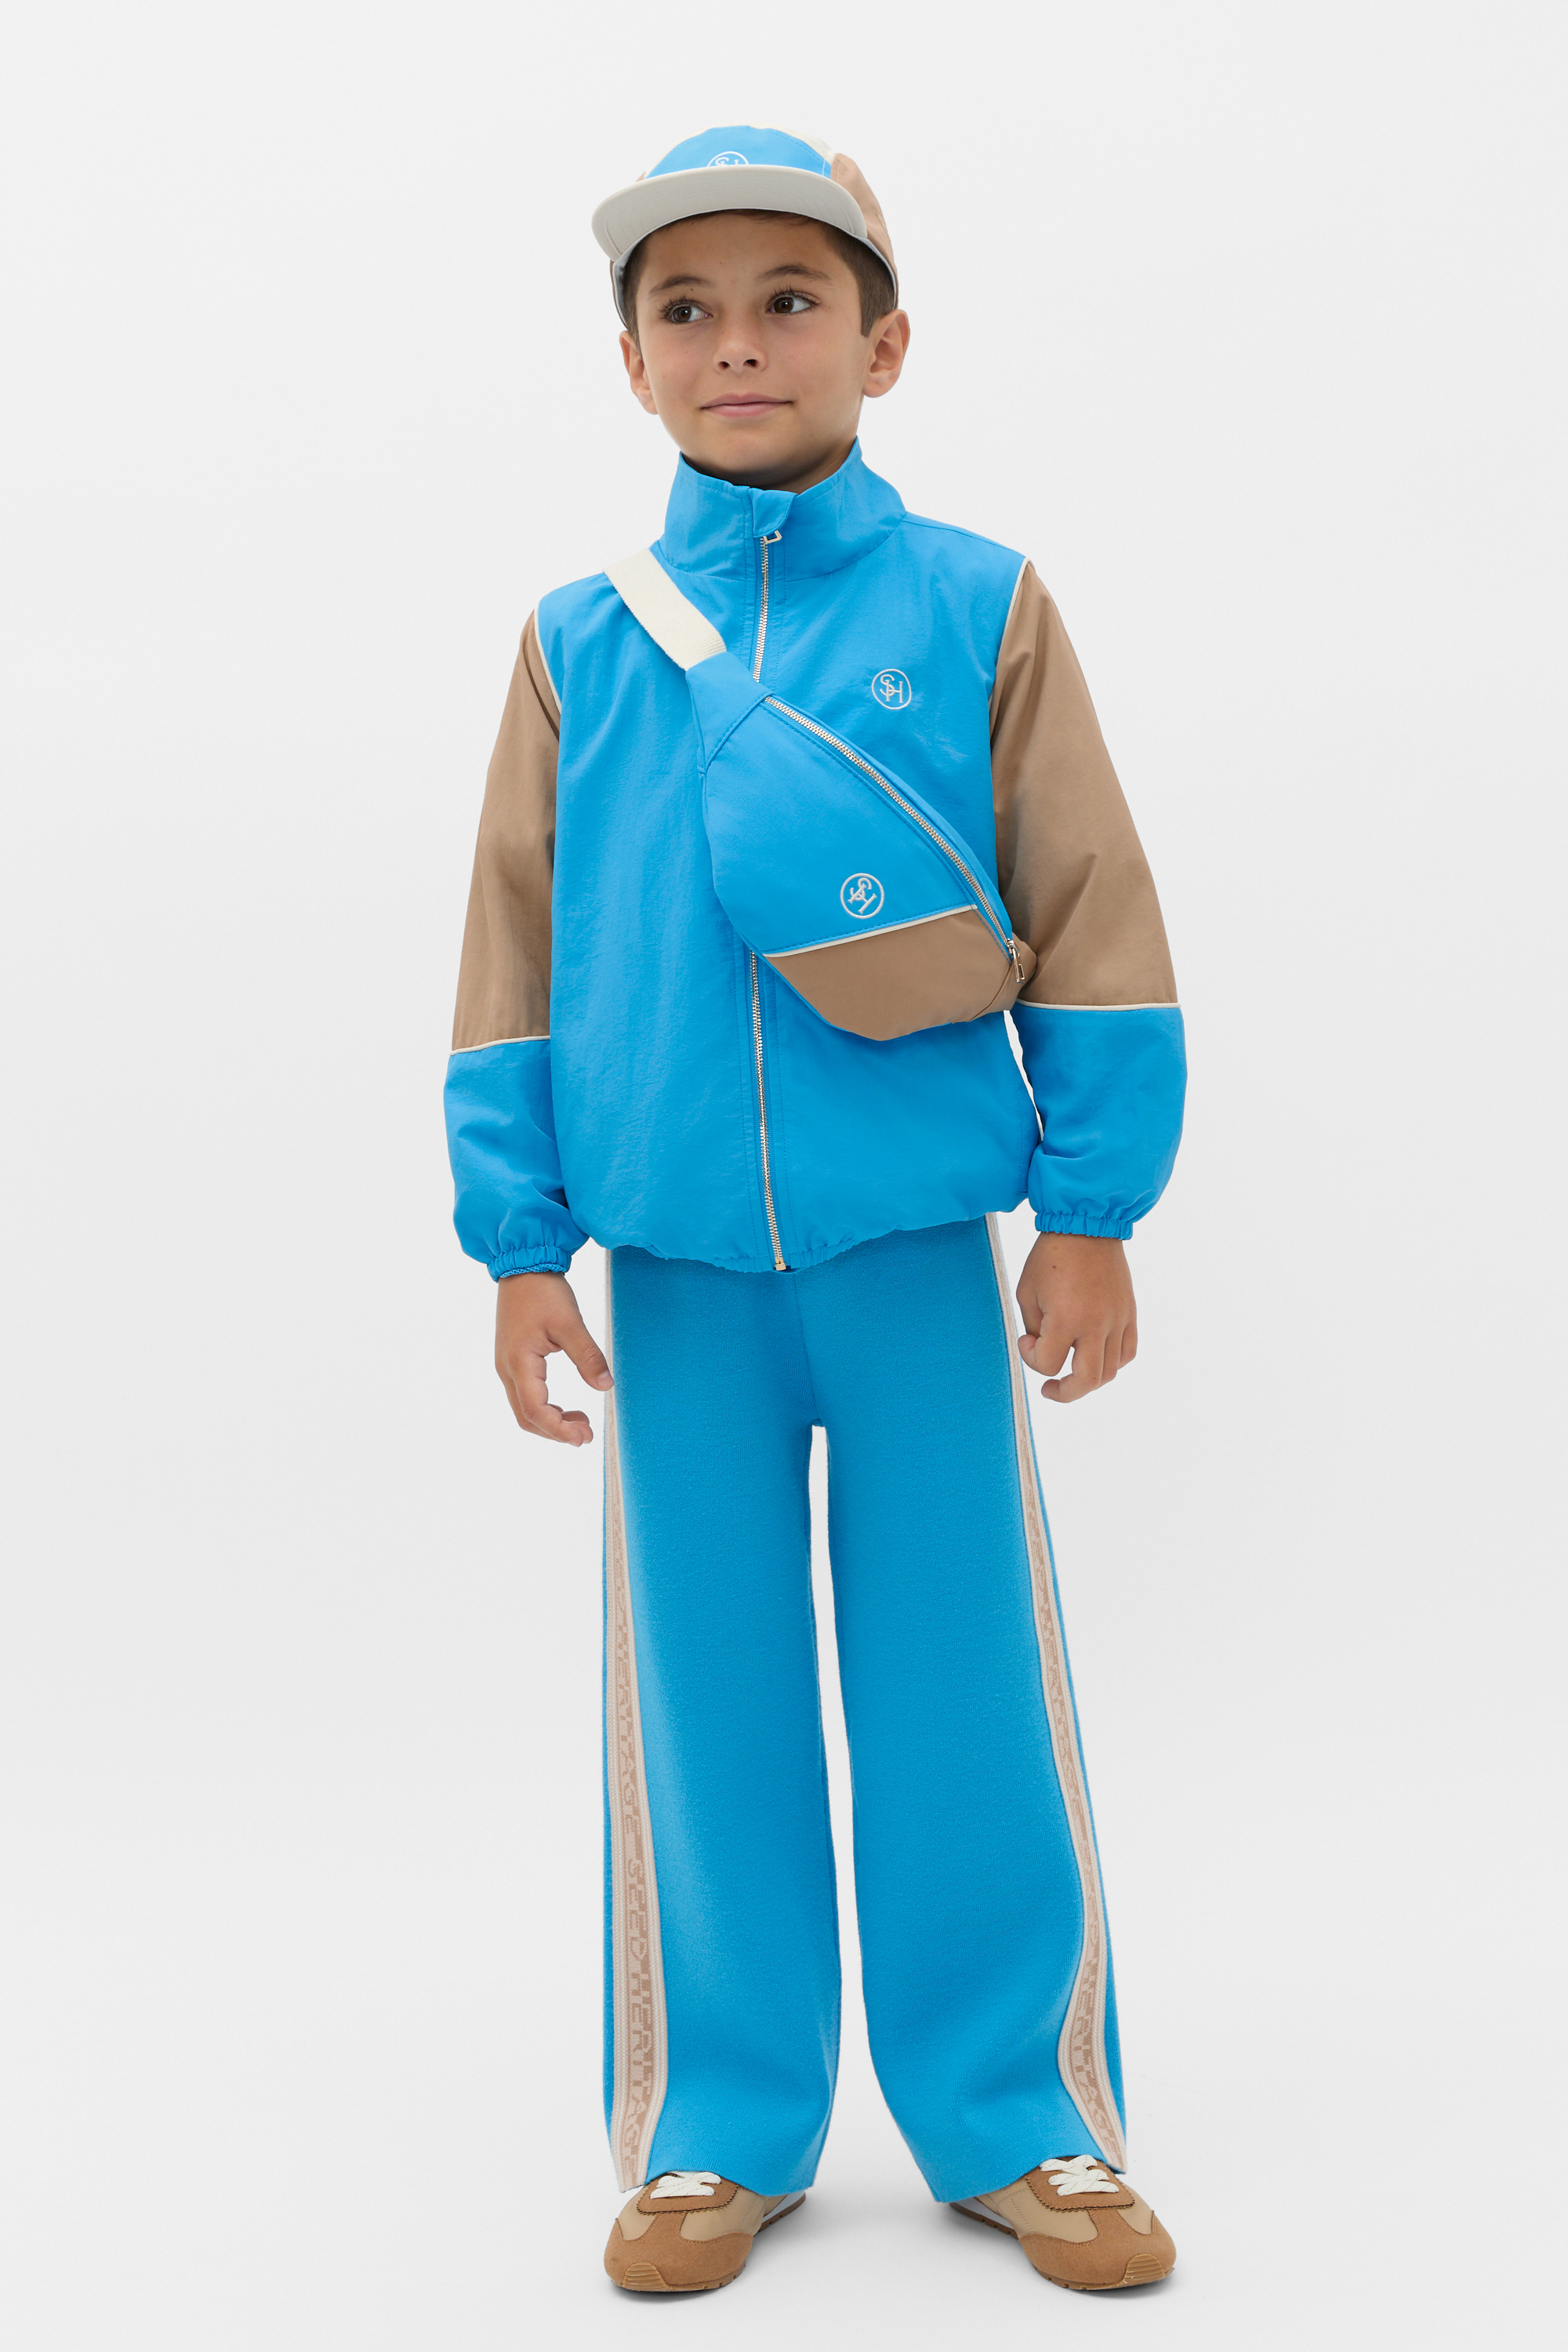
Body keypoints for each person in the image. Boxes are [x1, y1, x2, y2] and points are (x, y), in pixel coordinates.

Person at [444, 124, 1185, 2297]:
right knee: (707, 1699)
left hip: (918, 1261)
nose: (740, 342)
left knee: (964, 1682)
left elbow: (1092, 905)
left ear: (887, 340)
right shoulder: (579, 644)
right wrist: (517, 1243)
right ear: (632, 364)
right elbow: (512, 953)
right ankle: (713, 2126)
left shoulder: (981, 604)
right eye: (687, 309)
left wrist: (1093, 1205)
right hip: (672, 1275)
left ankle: (1022, 2115)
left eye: (791, 298)